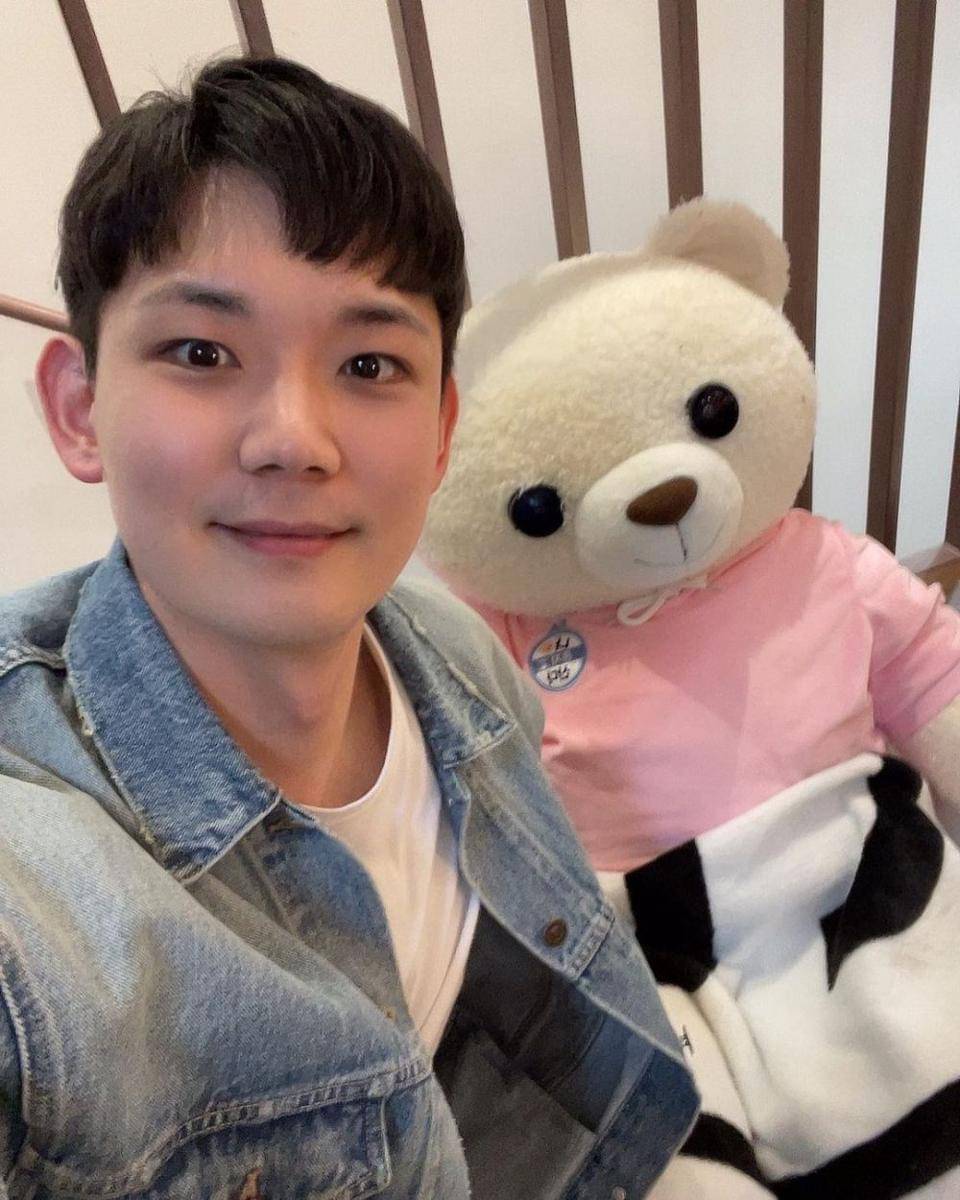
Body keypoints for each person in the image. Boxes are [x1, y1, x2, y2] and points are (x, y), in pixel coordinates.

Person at [0, 56, 696, 1198]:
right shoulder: (35, 896)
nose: (295, 439)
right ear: (79, 409)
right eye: (201, 353)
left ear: (442, 429)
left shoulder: (460, 661)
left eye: (370, 363)